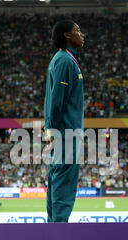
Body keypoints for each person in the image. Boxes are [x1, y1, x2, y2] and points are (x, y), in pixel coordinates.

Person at [43, 20, 85, 222]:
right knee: (63, 183)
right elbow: (56, 101)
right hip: (66, 133)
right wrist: (53, 131)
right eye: (77, 30)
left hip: (64, 132)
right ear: (67, 35)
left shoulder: (62, 60)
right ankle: (58, 233)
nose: (81, 34)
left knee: (57, 179)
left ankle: (54, 229)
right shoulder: (65, 61)